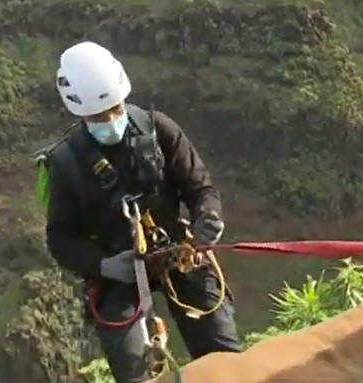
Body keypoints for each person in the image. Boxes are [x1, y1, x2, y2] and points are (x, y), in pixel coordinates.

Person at [46, 41, 241, 383]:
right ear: (78, 111)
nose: (110, 121)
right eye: (98, 116)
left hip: (179, 251)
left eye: (115, 109)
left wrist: (208, 219)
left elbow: (200, 188)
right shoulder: (66, 164)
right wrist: (103, 265)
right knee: (137, 373)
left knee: (222, 354)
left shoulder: (158, 129)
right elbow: (61, 238)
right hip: (118, 271)